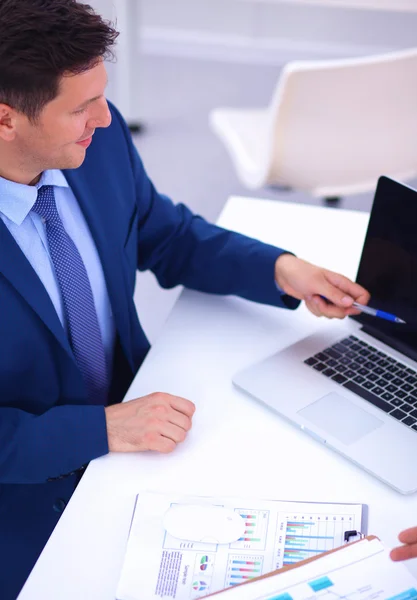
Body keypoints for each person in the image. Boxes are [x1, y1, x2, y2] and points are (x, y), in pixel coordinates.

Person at [0, 1, 370, 597]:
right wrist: (100, 431)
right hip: (24, 501)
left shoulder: (95, 140)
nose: (106, 117)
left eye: (102, 95)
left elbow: (158, 231)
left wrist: (280, 268)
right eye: (80, 107)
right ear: (5, 120)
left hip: (142, 431)